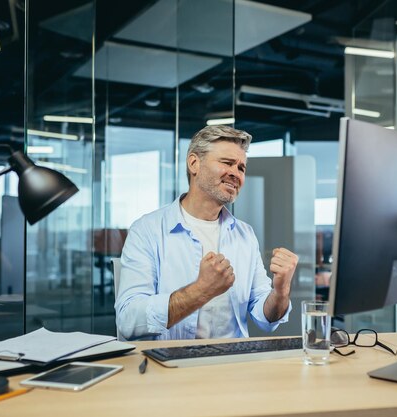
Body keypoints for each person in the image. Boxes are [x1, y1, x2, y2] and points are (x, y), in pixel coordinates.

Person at [115, 125, 298, 340]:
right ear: (194, 163)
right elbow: (128, 321)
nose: (235, 173)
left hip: (232, 364)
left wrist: (281, 292)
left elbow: (265, 318)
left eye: (241, 167)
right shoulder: (147, 230)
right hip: (171, 366)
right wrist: (201, 290)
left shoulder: (245, 235)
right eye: (227, 163)